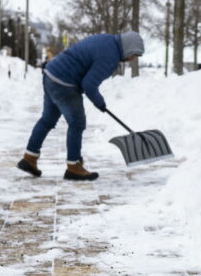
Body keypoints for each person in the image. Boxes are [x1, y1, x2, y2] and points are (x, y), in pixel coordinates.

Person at [18, 31, 144, 180]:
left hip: (51, 74)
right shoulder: (110, 57)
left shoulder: (106, 39)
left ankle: (29, 158)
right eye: (134, 55)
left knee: (47, 120)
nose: (132, 59)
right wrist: (100, 103)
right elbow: (89, 84)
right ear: (129, 49)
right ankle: (74, 166)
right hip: (64, 83)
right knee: (77, 123)